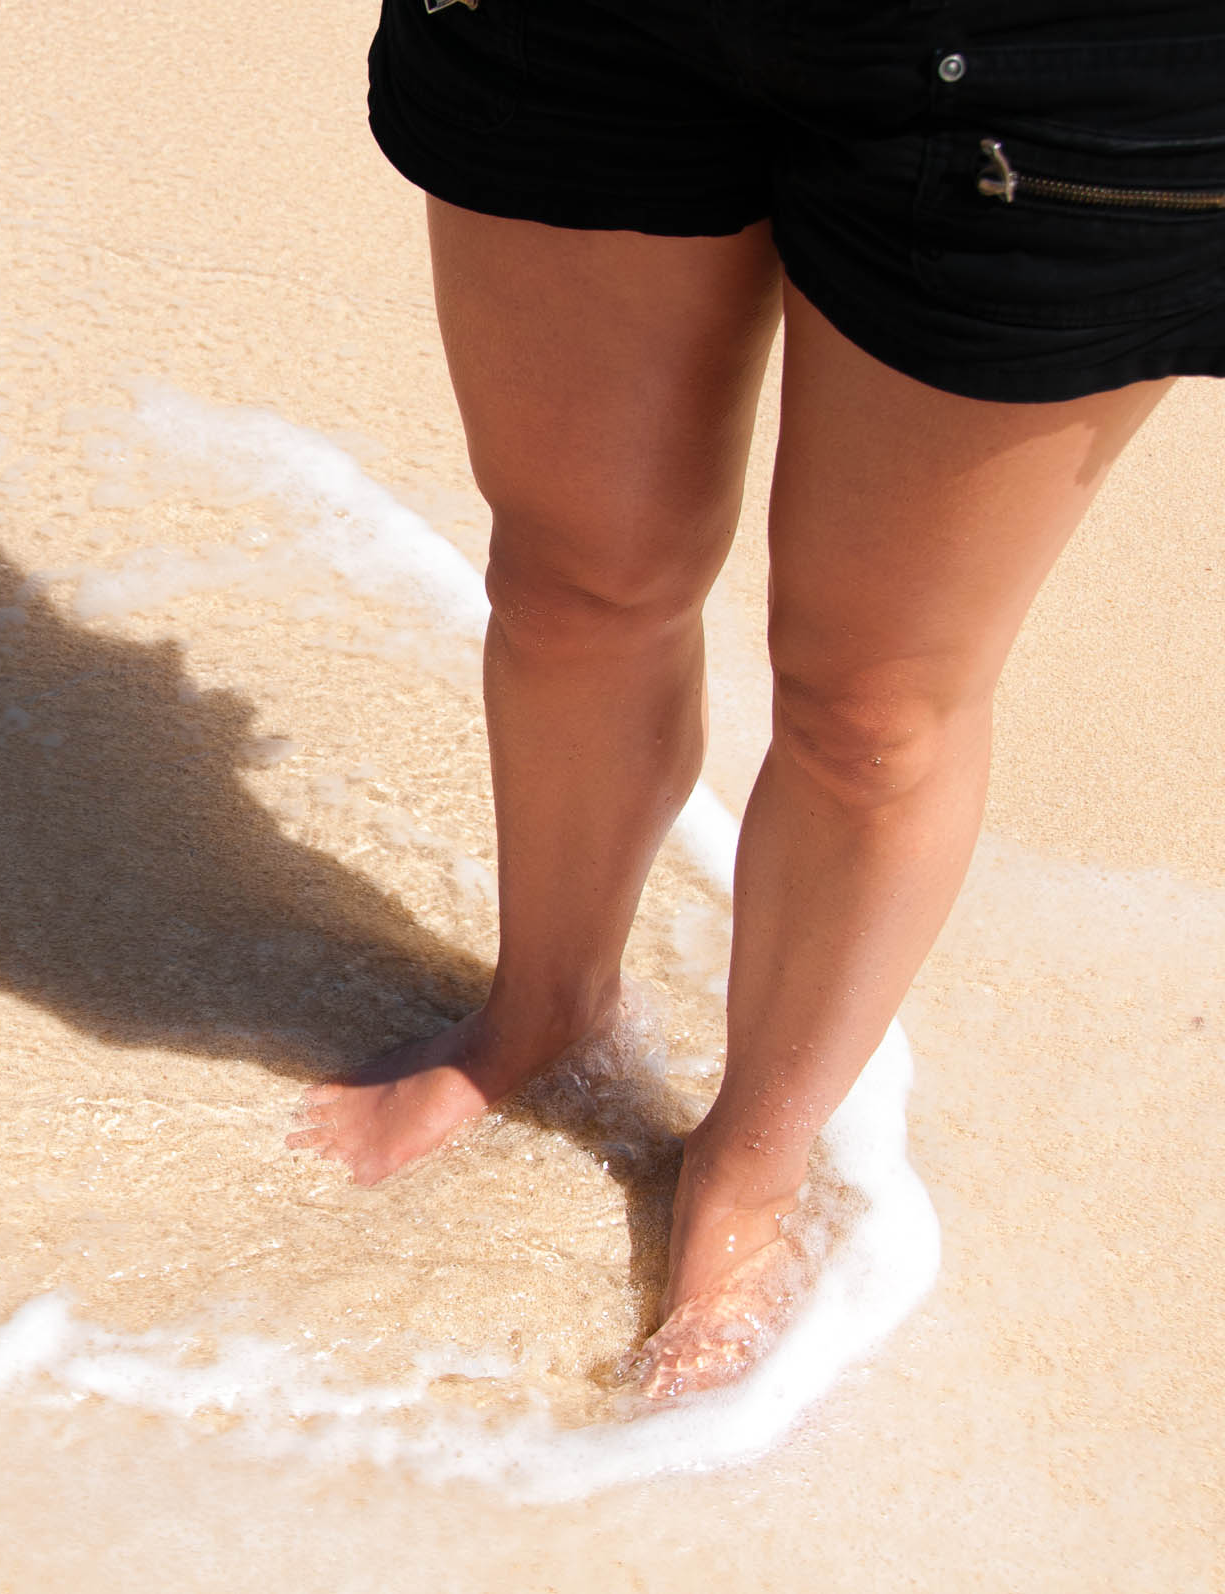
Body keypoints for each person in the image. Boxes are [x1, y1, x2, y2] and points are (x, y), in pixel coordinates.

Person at [286, 0, 1225, 1395]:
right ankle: (540, 1008)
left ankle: (753, 1164)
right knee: (573, 581)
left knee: (872, 714)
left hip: (1056, 55)